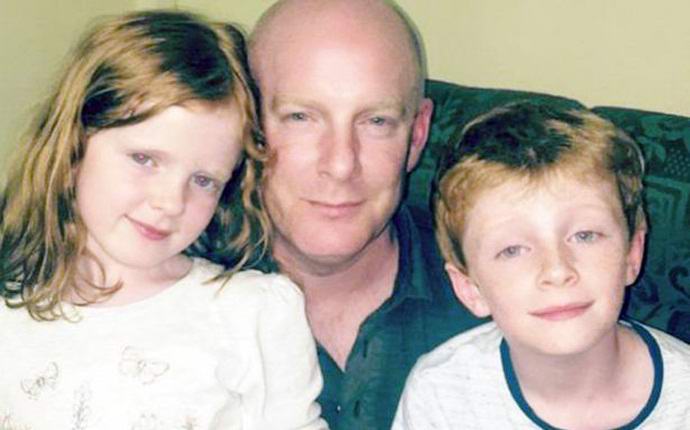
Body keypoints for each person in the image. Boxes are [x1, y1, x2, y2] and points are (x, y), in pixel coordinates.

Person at [0, 10, 326, 429]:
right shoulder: (9, 318)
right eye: (145, 159)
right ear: (74, 145)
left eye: (204, 180)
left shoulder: (252, 314)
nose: (171, 202)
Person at [248, 0, 482, 428]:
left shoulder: (504, 296)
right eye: (301, 117)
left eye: (376, 121)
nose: (340, 164)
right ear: (249, 126)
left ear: (417, 134)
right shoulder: (166, 300)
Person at [393, 101, 690, 429]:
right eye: (512, 250)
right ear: (469, 288)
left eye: (585, 235)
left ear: (632, 252)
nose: (557, 271)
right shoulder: (441, 393)